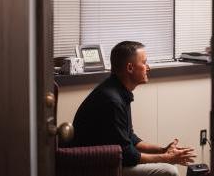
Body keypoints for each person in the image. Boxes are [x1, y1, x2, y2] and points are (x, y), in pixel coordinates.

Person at [72, 41, 196, 176]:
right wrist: (167, 158)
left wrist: (163, 150)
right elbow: (127, 156)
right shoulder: (112, 100)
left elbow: (130, 138)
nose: (148, 67)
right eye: (144, 62)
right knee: (169, 171)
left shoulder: (118, 90)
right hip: (95, 168)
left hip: (110, 160)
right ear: (130, 68)